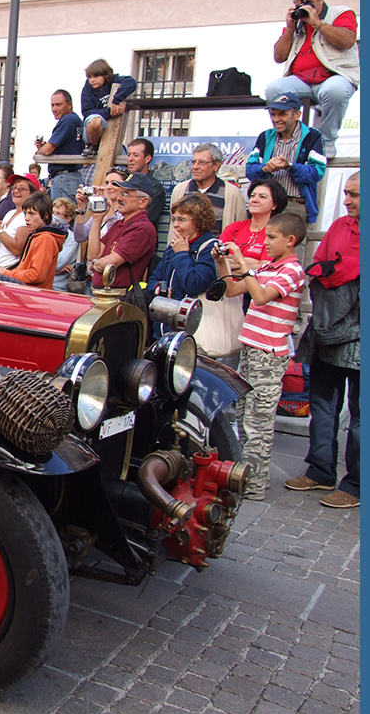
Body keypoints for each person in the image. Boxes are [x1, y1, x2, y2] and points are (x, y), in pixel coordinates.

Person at [214, 212, 307, 500]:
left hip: (269, 354)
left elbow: (261, 296)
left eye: (271, 237)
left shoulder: (292, 271)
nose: (265, 242)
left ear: (290, 241)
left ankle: (254, 484)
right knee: (244, 418)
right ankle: (247, 477)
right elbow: (231, 290)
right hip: (251, 349)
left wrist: (242, 263)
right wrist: (221, 261)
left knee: (259, 422)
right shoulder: (269, 265)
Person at [286, 171, 359, 508]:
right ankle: (320, 470)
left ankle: (356, 483)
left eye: (355, 195)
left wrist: (339, 272)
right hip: (329, 326)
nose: (347, 200)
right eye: (346, 193)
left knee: (359, 416)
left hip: (357, 332)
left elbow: (332, 270)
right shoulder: (340, 226)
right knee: (323, 405)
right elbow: (318, 267)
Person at [263, 0, 358, 159]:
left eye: (309, 3)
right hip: (302, 80)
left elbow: (347, 41)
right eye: (299, 4)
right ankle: (286, 138)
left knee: (335, 90)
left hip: (334, 76)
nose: (304, 9)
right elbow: (279, 57)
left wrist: (318, 23)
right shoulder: (297, 22)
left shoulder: (340, 13)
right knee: (274, 89)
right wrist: (290, 28)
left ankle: (326, 140)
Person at [245, 92, 326, 227]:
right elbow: (250, 171)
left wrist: (290, 166)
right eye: (273, 114)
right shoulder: (265, 136)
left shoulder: (313, 136)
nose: (276, 119)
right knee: (262, 247)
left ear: (297, 115)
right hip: (267, 205)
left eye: (282, 114)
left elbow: (317, 172)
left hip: (295, 205)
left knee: (292, 248)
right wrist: (265, 168)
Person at [145, 192, 218, 339]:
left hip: (191, 332)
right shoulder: (174, 247)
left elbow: (195, 284)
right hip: (164, 327)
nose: (176, 225)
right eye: (174, 219)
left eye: (182, 219)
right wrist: (159, 288)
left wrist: (181, 254)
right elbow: (153, 280)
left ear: (198, 221)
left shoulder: (210, 248)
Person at [88, 173, 159, 290]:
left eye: (125, 194)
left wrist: (93, 265)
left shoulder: (142, 228)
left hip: (119, 297)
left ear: (143, 202)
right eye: (120, 193)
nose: (119, 198)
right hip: (102, 293)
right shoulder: (118, 224)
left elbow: (108, 264)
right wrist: (97, 219)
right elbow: (93, 255)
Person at [0, 191, 68, 289]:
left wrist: (6, 273)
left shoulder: (46, 239)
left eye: (32, 214)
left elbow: (36, 275)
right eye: (25, 213)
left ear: (46, 215)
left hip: (34, 297)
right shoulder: (36, 235)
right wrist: (4, 271)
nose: (26, 218)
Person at [169, 143, 247, 234]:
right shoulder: (180, 190)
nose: (195, 167)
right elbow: (173, 229)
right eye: (193, 162)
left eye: (202, 162)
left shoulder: (232, 194)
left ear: (216, 165)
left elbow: (240, 231)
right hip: (183, 247)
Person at [220, 179, 287, 270]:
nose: (255, 200)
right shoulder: (234, 227)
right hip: (226, 282)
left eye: (262, 197)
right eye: (252, 196)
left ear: (274, 205)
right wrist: (251, 262)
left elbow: (265, 268)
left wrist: (235, 260)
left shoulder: (276, 233)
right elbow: (219, 262)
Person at [35, 89, 83, 204]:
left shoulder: (67, 120)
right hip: (72, 177)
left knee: (60, 218)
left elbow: (46, 151)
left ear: (69, 104)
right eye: (52, 105)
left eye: (58, 105)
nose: (54, 109)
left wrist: (40, 151)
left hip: (64, 178)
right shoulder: (76, 119)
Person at [80, 58, 136, 157]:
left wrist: (116, 101)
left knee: (123, 162)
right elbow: (87, 112)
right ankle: (93, 147)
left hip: (111, 134)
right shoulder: (87, 89)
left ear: (106, 75)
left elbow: (131, 82)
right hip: (92, 133)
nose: (92, 80)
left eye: (96, 76)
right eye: (90, 77)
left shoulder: (113, 81)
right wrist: (110, 111)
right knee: (95, 120)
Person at [125, 139, 168, 257]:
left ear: (148, 158)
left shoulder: (155, 188)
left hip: (140, 246)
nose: (130, 159)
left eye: (136, 155)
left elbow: (147, 218)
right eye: (129, 155)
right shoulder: (123, 183)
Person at [50, 197, 80, 292]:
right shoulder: (44, 231)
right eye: (53, 212)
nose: (54, 216)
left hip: (57, 288)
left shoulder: (72, 238)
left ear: (68, 218)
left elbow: (58, 263)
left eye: (58, 214)